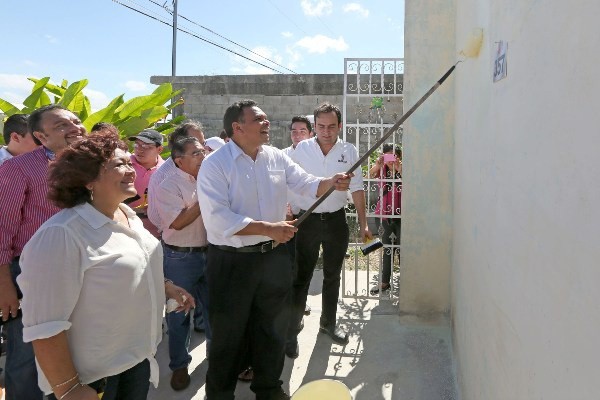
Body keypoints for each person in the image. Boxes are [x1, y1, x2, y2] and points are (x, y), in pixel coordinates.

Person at [17, 132, 194, 400]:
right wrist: (69, 389)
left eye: (128, 162)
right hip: (93, 380)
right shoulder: (63, 234)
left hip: (136, 362)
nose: (131, 170)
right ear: (88, 180)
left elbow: (133, 267)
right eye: (118, 165)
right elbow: (44, 325)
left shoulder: (128, 215)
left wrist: (165, 287)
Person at [197, 99, 352, 400]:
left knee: (272, 330)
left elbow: (305, 182)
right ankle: (219, 394)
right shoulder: (215, 164)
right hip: (232, 262)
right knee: (230, 336)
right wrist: (269, 228)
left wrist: (331, 183)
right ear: (237, 127)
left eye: (266, 118)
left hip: (274, 258)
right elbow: (217, 218)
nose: (267, 123)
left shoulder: (275, 158)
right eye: (259, 119)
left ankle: (269, 389)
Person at [0, 104, 86, 400]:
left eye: (76, 121)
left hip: (83, 269)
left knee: (75, 350)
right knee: (27, 356)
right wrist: (5, 286)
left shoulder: (94, 166)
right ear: (40, 135)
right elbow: (2, 229)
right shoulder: (18, 168)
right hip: (32, 274)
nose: (75, 127)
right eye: (62, 125)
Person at [286, 102, 371, 359]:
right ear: (314, 127)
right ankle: (292, 329)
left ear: (340, 126)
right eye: (321, 126)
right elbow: (287, 182)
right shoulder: (301, 150)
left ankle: (328, 323)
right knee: (301, 276)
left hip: (336, 221)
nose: (326, 131)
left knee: (333, 276)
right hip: (307, 220)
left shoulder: (348, 149)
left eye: (331, 126)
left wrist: (364, 222)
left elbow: (357, 187)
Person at [155, 136, 211, 391]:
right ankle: (179, 365)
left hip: (210, 254)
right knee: (179, 314)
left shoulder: (209, 176)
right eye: (196, 154)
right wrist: (206, 197)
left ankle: (217, 359)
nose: (203, 157)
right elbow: (178, 222)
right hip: (180, 258)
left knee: (214, 311)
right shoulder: (167, 184)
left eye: (203, 152)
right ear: (179, 161)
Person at [147, 121, 207, 333]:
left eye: (203, 144)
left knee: (208, 309)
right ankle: (179, 362)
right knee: (179, 308)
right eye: (196, 147)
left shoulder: (202, 173)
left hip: (205, 250)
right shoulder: (165, 178)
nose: (203, 151)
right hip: (179, 253)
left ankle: (201, 327)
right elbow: (172, 222)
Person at [369, 144, 402, 294]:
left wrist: (400, 169)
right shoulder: (381, 171)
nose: (391, 159)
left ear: (399, 157)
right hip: (383, 216)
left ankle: (405, 280)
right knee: (388, 248)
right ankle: (384, 282)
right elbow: (368, 176)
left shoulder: (404, 171)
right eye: (388, 155)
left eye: (394, 155)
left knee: (402, 250)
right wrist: (377, 164)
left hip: (402, 216)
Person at [126, 129, 165, 237]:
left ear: (160, 149)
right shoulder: (124, 164)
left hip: (156, 233)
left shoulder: (166, 171)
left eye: (147, 147)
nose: (140, 150)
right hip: (125, 229)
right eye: (137, 145)